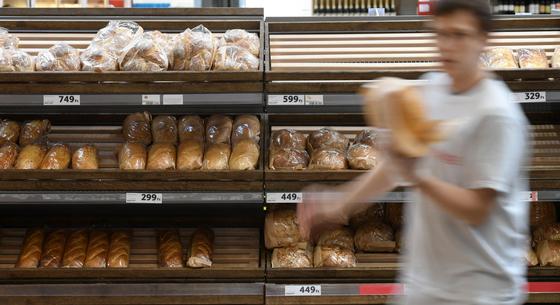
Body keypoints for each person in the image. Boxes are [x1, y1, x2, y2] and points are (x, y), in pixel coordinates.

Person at [297, 0, 530, 304]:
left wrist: (419, 179)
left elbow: (476, 208)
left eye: (459, 35)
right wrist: (339, 202)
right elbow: (397, 165)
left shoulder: (496, 114)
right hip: (425, 284)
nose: (446, 45)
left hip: (480, 290)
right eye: (440, 34)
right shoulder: (431, 89)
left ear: (483, 39)